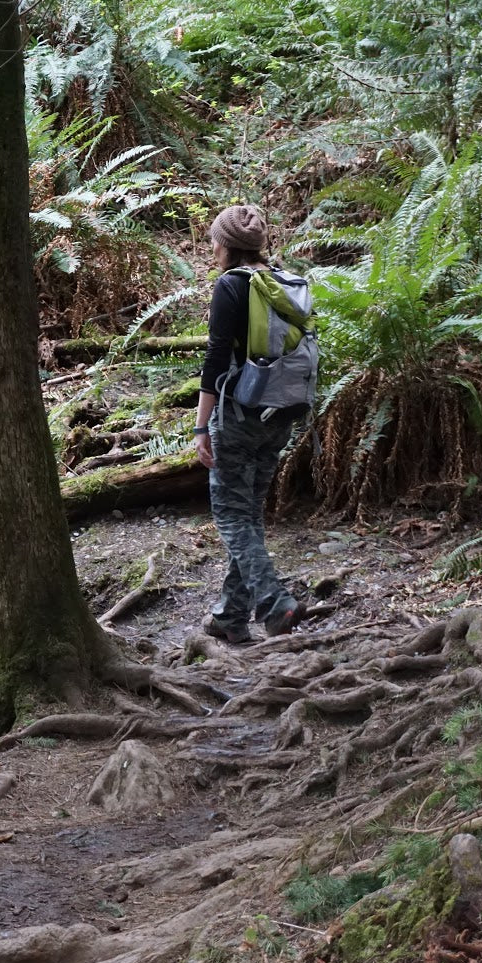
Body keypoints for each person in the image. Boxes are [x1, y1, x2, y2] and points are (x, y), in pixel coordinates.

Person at [192, 204, 304, 644]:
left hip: (239, 415)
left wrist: (201, 428)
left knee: (232, 514)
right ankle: (230, 618)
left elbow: (217, 359)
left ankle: (275, 603)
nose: (212, 247)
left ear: (226, 245)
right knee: (249, 513)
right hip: (282, 413)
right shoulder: (285, 281)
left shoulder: (232, 286)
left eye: (215, 240)